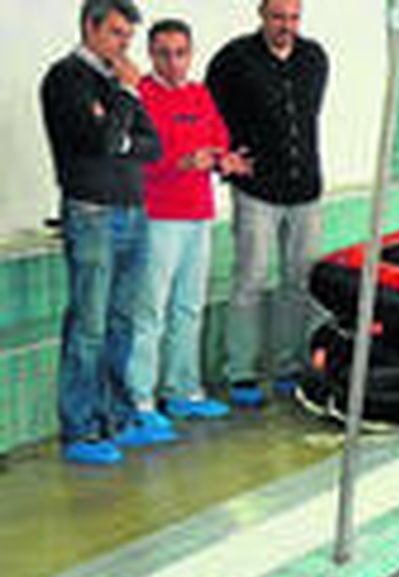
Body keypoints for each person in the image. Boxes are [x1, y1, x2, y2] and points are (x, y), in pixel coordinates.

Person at [40, 0, 168, 465]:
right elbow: (102, 141)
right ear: (90, 29)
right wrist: (128, 99)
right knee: (88, 326)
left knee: (122, 323)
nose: (123, 47)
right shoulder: (66, 79)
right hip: (92, 213)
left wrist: (121, 123)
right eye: (116, 34)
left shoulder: (115, 85)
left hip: (133, 211)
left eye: (128, 37)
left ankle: (116, 417)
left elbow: (152, 146)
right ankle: (80, 429)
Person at [205, 0, 329, 407]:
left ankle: (288, 365)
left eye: (294, 18)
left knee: (299, 283)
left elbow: (305, 119)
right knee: (250, 282)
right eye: (278, 17)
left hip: (305, 190)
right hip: (257, 190)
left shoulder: (314, 58)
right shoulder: (233, 60)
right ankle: (240, 371)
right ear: (261, 15)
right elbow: (209, 115)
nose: (286, 26)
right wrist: (226, 162)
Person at [133, 19, 248, 423]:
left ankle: (183, 389)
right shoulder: (139, 96)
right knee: (150, 311)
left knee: (189, 307)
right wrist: (179, 162)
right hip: (157, 217)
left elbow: (218, 138)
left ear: (190, 54)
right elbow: (136, 157)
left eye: (180, 53)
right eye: (163, 53)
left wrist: (223, 159)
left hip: (198, 214)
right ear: (150, 54)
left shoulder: (199, 95)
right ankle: (140, 400)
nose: (173, 62)